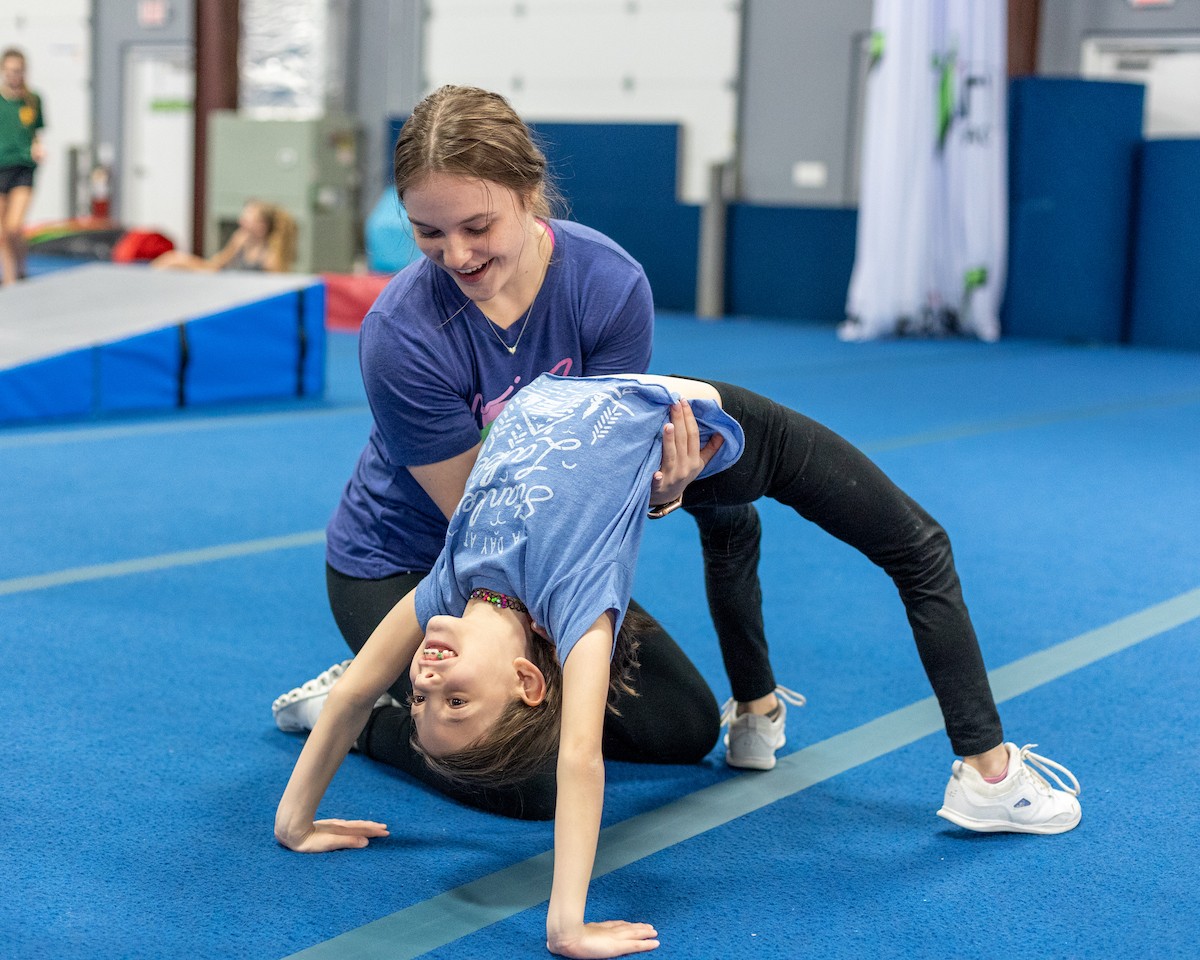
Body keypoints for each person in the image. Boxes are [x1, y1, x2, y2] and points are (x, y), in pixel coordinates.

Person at [273, 372, 1083, 958]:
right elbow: (580, 759)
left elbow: (354, 694)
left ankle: (757, 719)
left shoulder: (446, 590)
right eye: (453, 704)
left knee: (730, 526)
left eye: (419, 703)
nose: (422, 685)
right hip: (723, 431)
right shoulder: (577, 607)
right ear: (527, 683)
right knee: (918, 547)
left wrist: (296, 820)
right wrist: (566, 921)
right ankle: (988, 776)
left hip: (662, 448)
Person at [272, 84, 768, 819]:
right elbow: (488, 524)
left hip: (544, 553)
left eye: (478, 226)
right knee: (521, 777)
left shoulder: (608, 287)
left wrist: (662, 488)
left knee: (680, 728)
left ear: (530, 193)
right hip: (409, 565)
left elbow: (600, 480)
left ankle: (389, 696)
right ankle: (363, 713)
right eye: (428, 234)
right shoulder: (402, 333)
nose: (457, 255)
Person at [152, 199, 296, 273]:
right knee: (172, 259)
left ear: (261, 228)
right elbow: (216, 265)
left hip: (241, 292)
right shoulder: (240, 239)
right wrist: (184, 262)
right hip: (225, 279)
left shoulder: (270, 257)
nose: (241, 220)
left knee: (176, 261)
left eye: (247, 219)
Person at [0, 47, 44, 286]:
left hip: (23, 168)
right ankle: (9, 282)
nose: (14, 75)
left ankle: (22, 270)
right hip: (1, 166)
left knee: (14, 226)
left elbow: (36, 133)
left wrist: (38, 147)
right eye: (9, 71)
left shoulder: (32, 100)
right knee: (2, 233)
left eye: (18, 71)